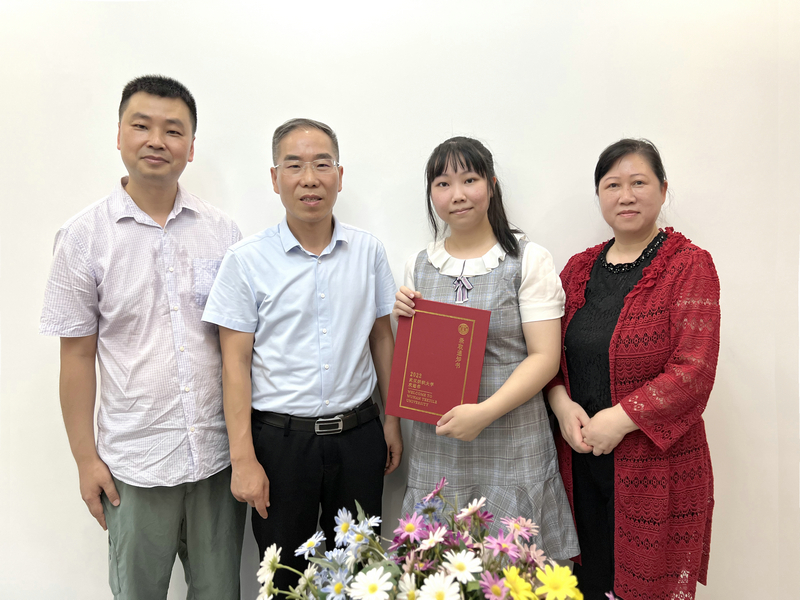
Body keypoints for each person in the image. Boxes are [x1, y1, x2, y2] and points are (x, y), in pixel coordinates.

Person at [40, 75, 246, 599]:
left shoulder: (223, 232)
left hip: (216, 459)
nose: (157, 140)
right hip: (133, 464)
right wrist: (85, 461)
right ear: (119, 135)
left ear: (191, 147)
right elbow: (77, 356)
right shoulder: (83, 237)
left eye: (173, 130)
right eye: (142, 126)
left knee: (220, 592)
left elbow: (237, 346)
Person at [201, 118, 403, 588]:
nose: (309, 178)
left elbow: (381, 338)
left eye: (321, 164)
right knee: (286, 581)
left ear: (339, 175)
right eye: (294, 165)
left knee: (358, 575)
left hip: (359, 436)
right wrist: (243, 458)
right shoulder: (246, 260)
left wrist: (392, 421)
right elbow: (234, 363)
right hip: (280, 445)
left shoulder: (368, 252)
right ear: (275, 178)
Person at [546, 139, 720, 600]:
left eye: (638, 182)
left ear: (663, 189)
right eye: (612, 185)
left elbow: (693, 371)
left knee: (643, 588)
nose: (626, 196)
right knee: (586, 583)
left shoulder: (688, 265)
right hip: (579, 463)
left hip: (655, 469)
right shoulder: (576, 269)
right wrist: (561, 406)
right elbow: (549, 358)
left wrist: (619, 420)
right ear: (599, 195)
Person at [393, 136, 579, 559]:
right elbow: (419, 361)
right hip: (440, 446)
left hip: (513, 441)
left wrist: (484, 413)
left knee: (514, 576)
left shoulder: (528, 259)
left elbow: (545, 357)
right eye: (442, 184)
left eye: (469, 180)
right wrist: (402, 316)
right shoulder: (418, 264)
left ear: (491, 185)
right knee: (440, 573)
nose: (457, 194)